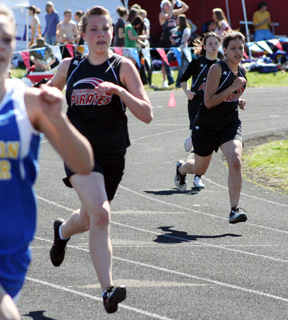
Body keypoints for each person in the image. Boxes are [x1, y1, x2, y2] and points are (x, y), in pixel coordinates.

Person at [47, 6, 153, 314]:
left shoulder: (123, 66)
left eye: (105, 29)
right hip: (78, 151)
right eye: (94, 29)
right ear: (83, 34)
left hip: (113, 155)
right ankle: (107, 290)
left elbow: (147, 114)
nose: (101, 34)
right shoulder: (70, 66)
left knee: (90, 217)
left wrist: (119, 91)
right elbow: (43, 98)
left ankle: (62, 232)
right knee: (102, 215)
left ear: (113, 32)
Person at [0, 4, 94, 320]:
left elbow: (83, 164)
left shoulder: (29, 102)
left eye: (6, 39)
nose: (0, 46)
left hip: (11, 251)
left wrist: (59, 119)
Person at [174, 31, 248, 224]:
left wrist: (237, 100)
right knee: (199, 167)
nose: (238, 52)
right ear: (225, 50)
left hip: (229, 124)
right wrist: (232, 89)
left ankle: (234, 210)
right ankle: (181, 169)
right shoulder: (216, 68)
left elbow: (227, 97)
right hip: (207, 126)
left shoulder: (242, 72)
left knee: (235, 161)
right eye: (233, 48)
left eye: (241, 47)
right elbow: (208, 102)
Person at [180, 32, 221, 188]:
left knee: (206, 139)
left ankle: (198, 175)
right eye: (209, 43)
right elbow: (183, 79)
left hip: (213, 104)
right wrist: (188, 92)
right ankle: (192, 137)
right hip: (196, 102)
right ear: (204, 46)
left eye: (215, 43)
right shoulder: (198, 62)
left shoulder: (221, 63)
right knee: (200, 136)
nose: (212, 46)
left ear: (219, 46)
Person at [159, 0, 189, 88]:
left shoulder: (174, 12)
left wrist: (178, 1)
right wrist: (172, 4)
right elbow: (168, 16)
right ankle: (166, 80)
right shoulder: (161, 14)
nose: (168, 6)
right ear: (162, 7)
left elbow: (185, 8)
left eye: (169, 5)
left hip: (175, 41)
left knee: (179, 61)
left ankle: (178, 81)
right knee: (164, 61)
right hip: (166, 40)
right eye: (166, 5)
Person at [165, 13, 191, 88]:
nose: (176, 21)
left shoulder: (186, 30)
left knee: (181, 66)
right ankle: (170, 79)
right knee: (166, 61)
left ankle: (178, 83)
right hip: (174, 49)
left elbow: (185, 41)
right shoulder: (176, 29)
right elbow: (174, 39)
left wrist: (182, 50)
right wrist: (172, 39)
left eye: (178, 19)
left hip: (182, 49)